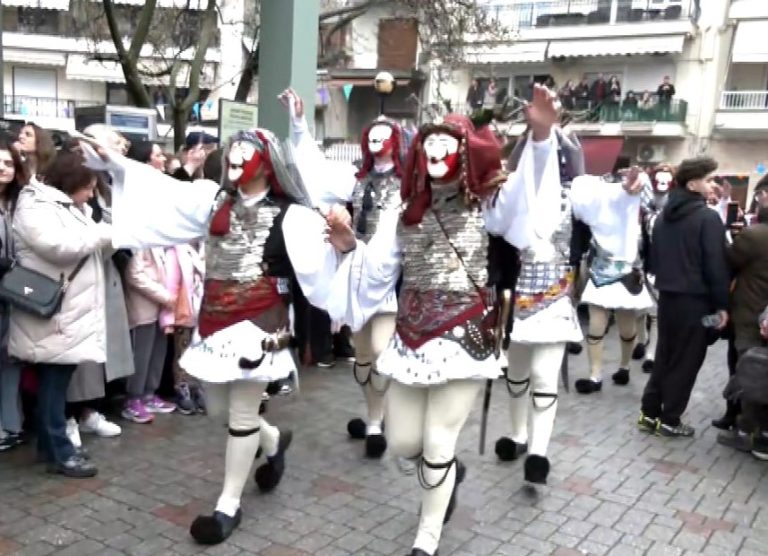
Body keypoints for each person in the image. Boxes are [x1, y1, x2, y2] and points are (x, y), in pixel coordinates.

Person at [294, 84, 559, 556]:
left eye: (446, 144)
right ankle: (447, 475)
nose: (436, 151)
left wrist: (539, 138)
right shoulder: (404, 212)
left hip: (466, 340)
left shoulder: (488, 205)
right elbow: (375, 271)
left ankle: (427, 535)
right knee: (402, 443)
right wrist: (346, 244)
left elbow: (524, 203)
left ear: (463, 152)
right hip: (411, 340)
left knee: (438, 441)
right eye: (429, 144)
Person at [81, 122, 307, 544]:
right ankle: (273, 442)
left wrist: (346, 245)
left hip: (260, 325)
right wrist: (116, 162)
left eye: (246, 149)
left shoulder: (292, 215)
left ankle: (228, 505)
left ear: (267, 162)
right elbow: (164, 190)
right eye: (233, 148)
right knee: (220, 413)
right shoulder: (211, 199)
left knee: (240, 416)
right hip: (216, 322)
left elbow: (323, 260)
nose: (236, 156)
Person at [285, 88, 402, 458]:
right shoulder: (357, 179)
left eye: (386, 134)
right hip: (359, 269)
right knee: (364, 356)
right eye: (374, 133)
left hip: (395, 276)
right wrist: (299, 123)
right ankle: (374, 417)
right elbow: (315, 168)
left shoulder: (411, 181)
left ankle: (385, 414)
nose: (378, 139)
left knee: (383, 352)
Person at [9, 152, 112, 477]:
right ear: (72, 183)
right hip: (53, 314)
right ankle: (60, 454)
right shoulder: (36, 205)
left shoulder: (64, 205)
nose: (91, 195)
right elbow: (58, 246)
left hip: (66, 313)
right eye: (89, 187)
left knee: (54, 385)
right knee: (53, 386)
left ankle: (50, 447)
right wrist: (107, 232)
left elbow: (88, 247)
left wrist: (107, 236)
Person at [639, 157, 730, 437]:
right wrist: (722, 306)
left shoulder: (665, 216)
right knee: (687, 359)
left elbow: (653, 258)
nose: (713, 185)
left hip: (668, 298)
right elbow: (715, 265)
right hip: (698, 303)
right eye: (709, 179)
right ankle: (670, 419)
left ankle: (649, 412)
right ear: (693, 184)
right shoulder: (708, 217)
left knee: (666, 353)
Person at [0, 138, 27, 452]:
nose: (3, 169)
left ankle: (12, 423)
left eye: (9, 163)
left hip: (18, 292)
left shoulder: (22, 202)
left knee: (11, 360)